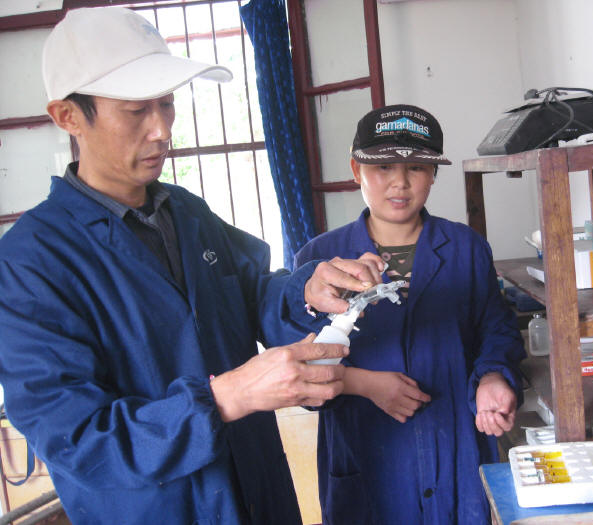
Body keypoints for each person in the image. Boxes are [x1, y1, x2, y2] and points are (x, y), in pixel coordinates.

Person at [0, 7, 384, 525]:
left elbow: (251, 293)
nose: (162, 129)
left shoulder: (185, 212)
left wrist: (305, 290)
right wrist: (227, 396)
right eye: (136, 110)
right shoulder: (30, 262)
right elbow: (80, 439)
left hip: (257, 491)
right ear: (69, 116)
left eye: (167, 103)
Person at [294, 104, 527, 525]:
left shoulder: (466, 247)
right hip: (366, 446)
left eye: (416, 167)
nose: (400, 182)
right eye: (383, 167)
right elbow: (299, 366)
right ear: (356, 170)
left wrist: (493, 376)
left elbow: (497, 329)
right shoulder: (319, 259)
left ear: (433, 174)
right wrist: (363, 384)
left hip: (453, 437)